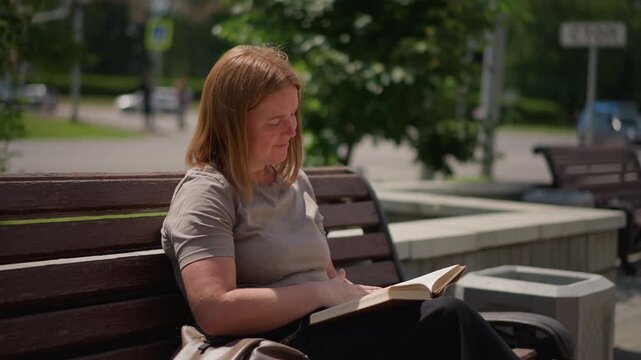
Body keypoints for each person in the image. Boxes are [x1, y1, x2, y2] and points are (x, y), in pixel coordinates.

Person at [161, 45, 518, 360]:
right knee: (448, 321)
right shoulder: (208, 193)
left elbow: (326, 275)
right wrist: (320, 292)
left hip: (326, 329)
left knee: (442, 320)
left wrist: (367, 297)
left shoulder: (293, 182)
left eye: (294, 115)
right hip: (278, 345)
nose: (292, 130)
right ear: (231, 124)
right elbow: (215, 311)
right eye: (274, 121)